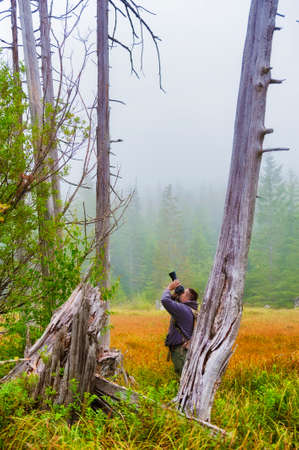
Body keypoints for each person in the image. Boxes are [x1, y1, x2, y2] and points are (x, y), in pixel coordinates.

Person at [161, 279, 199, 376]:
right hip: (184, 350)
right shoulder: (190, 309)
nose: (181, 293)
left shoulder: (183, 309)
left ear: (187, 298)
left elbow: (165, 300)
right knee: (186, 378)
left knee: (183, 379)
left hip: (180, 351)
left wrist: (169, 288)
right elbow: (173, 303)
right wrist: (175, 295)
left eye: (183, 293)